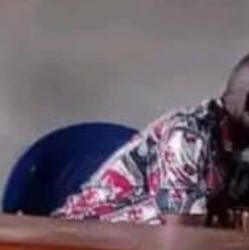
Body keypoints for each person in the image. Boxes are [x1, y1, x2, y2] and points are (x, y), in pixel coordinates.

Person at [54, 53, 249, 225]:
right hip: (78, 242)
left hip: (136, 247)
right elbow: (182, 240)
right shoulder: (188, 136)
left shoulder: (230, 149)